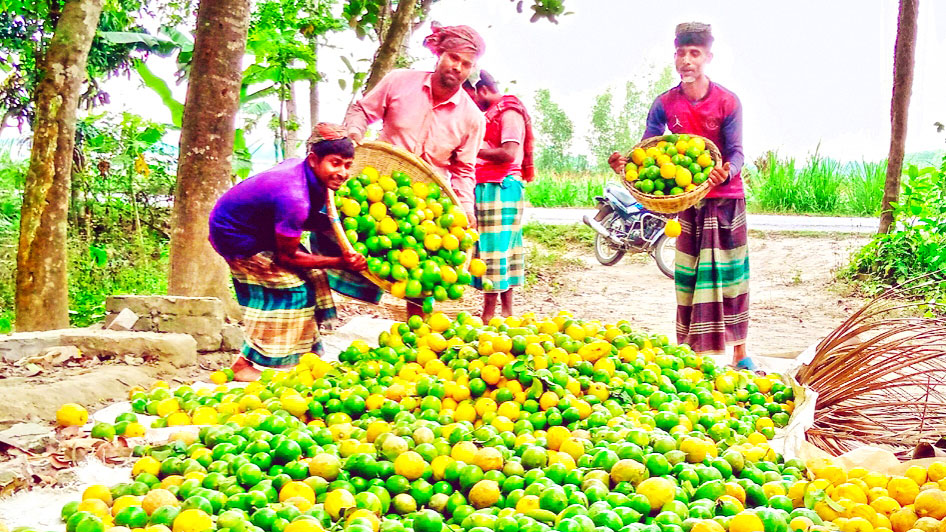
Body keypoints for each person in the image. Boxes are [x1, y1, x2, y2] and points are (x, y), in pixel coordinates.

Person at [608, 22, 750, 367]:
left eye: (695, 53)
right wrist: (625, 164)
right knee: (688, 276)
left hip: (726, 199)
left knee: (731, 277)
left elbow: (737, 153)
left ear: (708, 57)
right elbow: (647, 149)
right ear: (675, 57)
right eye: (681, 53)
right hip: (686, 201)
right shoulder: (665, 103)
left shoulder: (728, 101)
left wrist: (725, 171)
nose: (687, 60)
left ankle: (741, 353)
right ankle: (689, 354)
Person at [344, 23, 487, 317]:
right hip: (377, 189)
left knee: (422, 271)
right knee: (348, 244)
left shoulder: (472, 118)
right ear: (440, 54)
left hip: (427, 203)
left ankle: (416, 336)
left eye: (466, 64)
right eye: (453, 58)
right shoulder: (399, 81)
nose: (458, 68)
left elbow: (463, 170)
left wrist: (465, 207)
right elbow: (361, 110)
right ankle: (322, 308)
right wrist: (353, 135)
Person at [209, 123, 369, 381]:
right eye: (335, 163)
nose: (342, 172)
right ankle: (246, 364)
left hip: (261, 229)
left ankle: (305, 356)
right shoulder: (294, 196)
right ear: (314, 160)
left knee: (313, 280)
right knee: (291, 292)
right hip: (236, 237)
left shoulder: (307, 176)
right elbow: (288, 256)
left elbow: (299, 219)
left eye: (347, 165)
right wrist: (341, 261)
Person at [470, 70, 535, 322]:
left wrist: (474, 149)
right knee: (500, 250)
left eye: (472, 96)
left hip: (500, 186)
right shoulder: (495, 112)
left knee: (495, 251)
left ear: (482, 90)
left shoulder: (508, 111)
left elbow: (508, 153)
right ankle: (504, 314)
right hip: (491, 185)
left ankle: (492, 315)